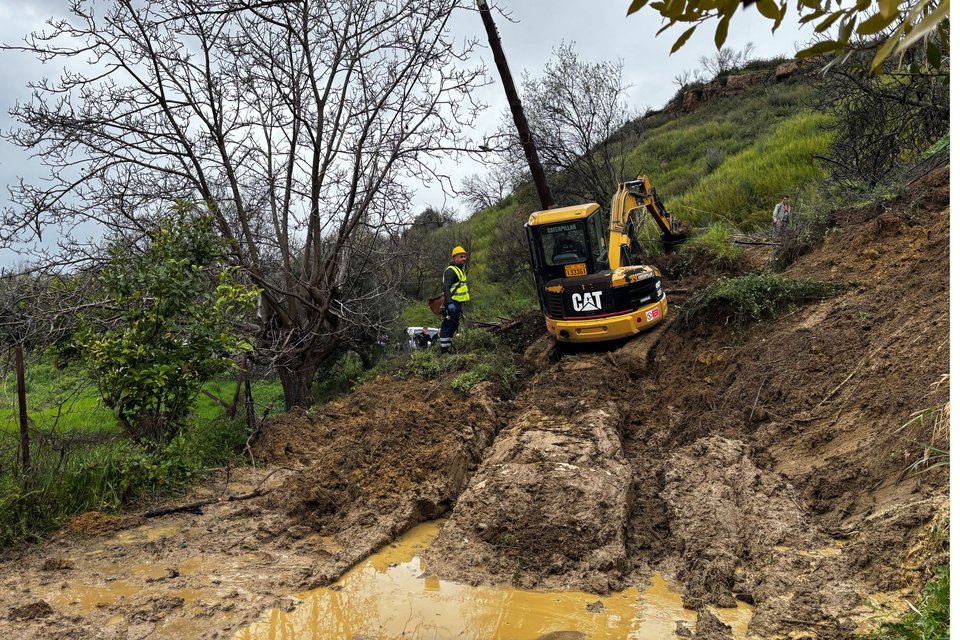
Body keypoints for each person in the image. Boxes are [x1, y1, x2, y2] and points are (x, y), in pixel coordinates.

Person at [439, 246, 469, 354]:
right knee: (448, 325)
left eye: (465, 257)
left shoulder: (460, 270)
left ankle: (448, 347)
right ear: (455, 257)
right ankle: (444, 351)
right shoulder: (450, 271)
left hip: (458, 303)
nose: (464, 259)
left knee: (454, 325)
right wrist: (450, 303)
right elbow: (446, 287)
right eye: (461, 257)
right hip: (452, 303)